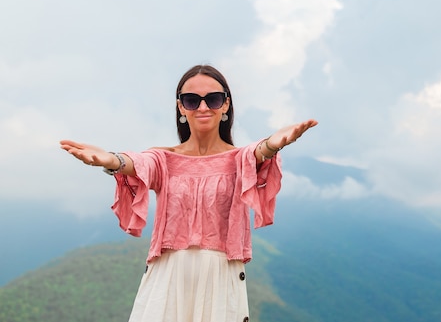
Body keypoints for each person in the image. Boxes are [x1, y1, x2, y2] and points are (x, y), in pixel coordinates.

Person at [60, 64, 318, 322]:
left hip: (220, 278)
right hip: (167, 278)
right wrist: (111, 160)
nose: (203, 107)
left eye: (213, 99)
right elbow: (138, 163)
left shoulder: (240, 160)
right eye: (192, 100)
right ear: (181, 107)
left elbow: (256, 154)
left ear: (226, 104)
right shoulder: (164, 159)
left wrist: (271, 145)